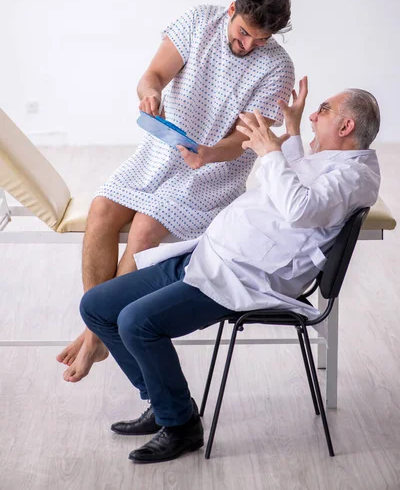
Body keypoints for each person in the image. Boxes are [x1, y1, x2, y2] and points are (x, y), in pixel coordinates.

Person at [79, 78, 381, 463]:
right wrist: (289, 131)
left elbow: (301, 208)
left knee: (137, 322)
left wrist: (270, 152)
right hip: (210, 255)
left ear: (345, 127)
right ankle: (162, 400)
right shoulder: (334, 163)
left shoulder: (353, 177)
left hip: (241, 277)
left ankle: (181, 425)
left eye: (323, 110)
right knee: (97, 305)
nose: (314, 116)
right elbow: (298, 181)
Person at [58, 0, 295, 382]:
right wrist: (149, 93)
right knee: (100, 211)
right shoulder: (197, 23)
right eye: (243, 34)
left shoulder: (278, 67)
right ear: (231, 9)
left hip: (212, 176)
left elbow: (244, 140)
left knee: (145, 231)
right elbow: (152, 76)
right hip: (159, 153)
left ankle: (95, 338)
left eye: (260, 40)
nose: (249, 46)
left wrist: (207, 154)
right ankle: (99, 330)